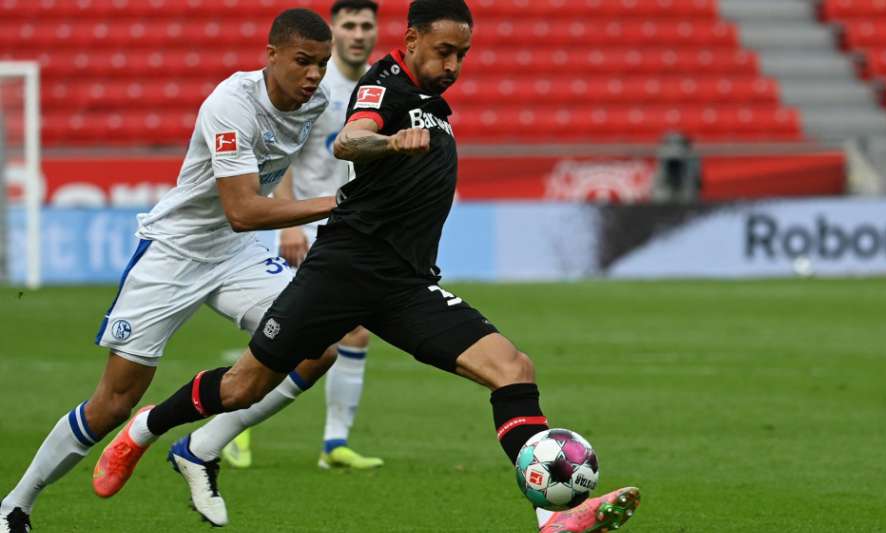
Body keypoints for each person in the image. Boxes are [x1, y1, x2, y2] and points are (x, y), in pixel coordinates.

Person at [93, 2, 641, 532]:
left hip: (404, 284)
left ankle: (553, 517)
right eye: (444, 51)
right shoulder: (385, 83)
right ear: (412, 40)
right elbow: (351, 139)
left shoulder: (431, 102)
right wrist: (389, 142)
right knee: (242, 388)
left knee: (514, 368)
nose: (452, 64)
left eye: (462, 54)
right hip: (344, 271)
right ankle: (146, 428)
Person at [0, 9, 340, 533]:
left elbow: (276, 167)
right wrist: (337, 203)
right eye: (303, 61)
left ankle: (199, 448)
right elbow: (242, 209)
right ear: (271, 55)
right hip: (175, 252)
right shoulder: (231, 104)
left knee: (318, 345)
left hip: (236, 252)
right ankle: (14, 506)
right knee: (112, 404)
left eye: (321, 63)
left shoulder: (313, 102)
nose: (314, 75)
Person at [221, 0, 385, 472]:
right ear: (334, 31)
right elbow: (283, 154)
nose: (359, 33)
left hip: (349, 225)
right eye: (349, 25)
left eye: (366, 25)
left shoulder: (379, 86)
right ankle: (234, 423)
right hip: (305, 220)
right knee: (290, 329)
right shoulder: (313, 86)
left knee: (355, 329)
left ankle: (334, 443)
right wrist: (289, 224)